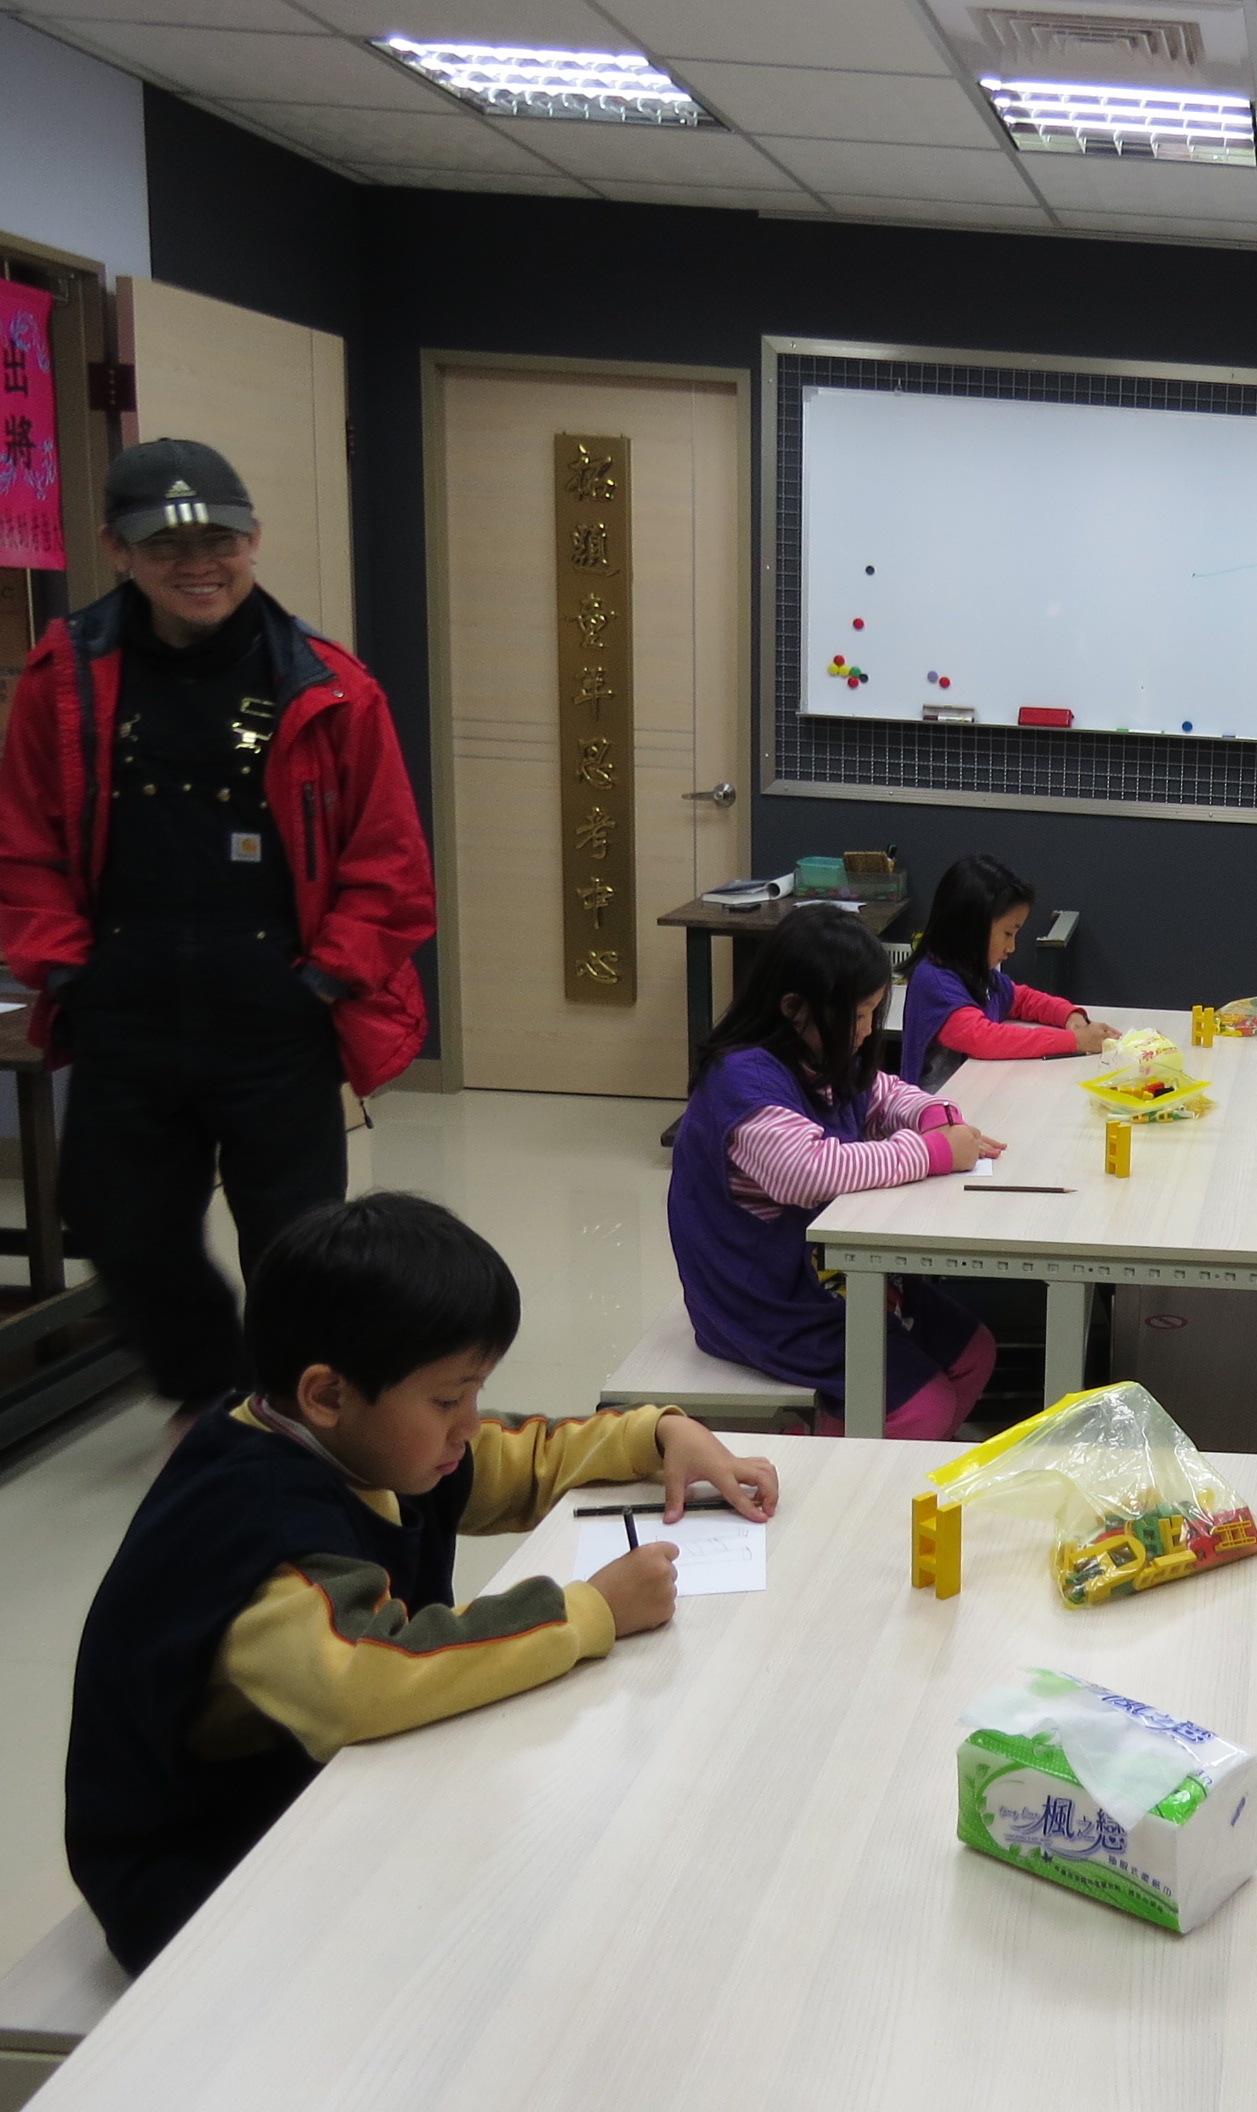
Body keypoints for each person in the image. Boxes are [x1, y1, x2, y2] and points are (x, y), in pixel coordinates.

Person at [64, 1192, 776, 1972]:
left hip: (313, 1790)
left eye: (474, 1392)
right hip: (203, 1872)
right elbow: (367, 1677)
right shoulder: (262, 1531)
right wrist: (590, 1610)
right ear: (327, 1395)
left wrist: (660, 1433)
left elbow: (519, 1460)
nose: (468, 1423)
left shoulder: (368, 1442)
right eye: (447, 1399)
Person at [0, 440, 434, 1430]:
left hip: (276, 1011)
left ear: (254, 540)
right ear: (118, 548)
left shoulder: (328, 682)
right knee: (117, 1220)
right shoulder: (64, 676)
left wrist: (324, 981)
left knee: (298, 1242)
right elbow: (23, 843)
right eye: (167, 544)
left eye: (221, 541)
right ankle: (209, 1388)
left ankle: (290, 1411)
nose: (199, 564)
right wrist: (66, 972)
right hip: (123, 1008)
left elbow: (391, 864)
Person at [672, 905, 1002, 1437]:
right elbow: (809, 1171)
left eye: (873, 1012)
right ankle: (819, 1448)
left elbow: (881, 1093)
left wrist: (933, 1115)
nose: (868, 1030)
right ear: (794, 1008)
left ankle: (892, 1459)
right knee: (925, 1405)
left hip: (825, 1274)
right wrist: (932, 1152)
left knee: (974, 1353)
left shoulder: (818, 1055)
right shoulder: (741, 1081)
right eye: (859, 1015)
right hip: (763, 1301)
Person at [896, 853, 1117, 1091]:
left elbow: (1020, 998)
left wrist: (1068, 1015)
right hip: (933, 1107)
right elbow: (982, 1039)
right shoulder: (934, 981)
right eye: (1007, 934)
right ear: (970, 928)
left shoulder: (975, 973)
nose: (1012, 947)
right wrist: (1075, 1041)